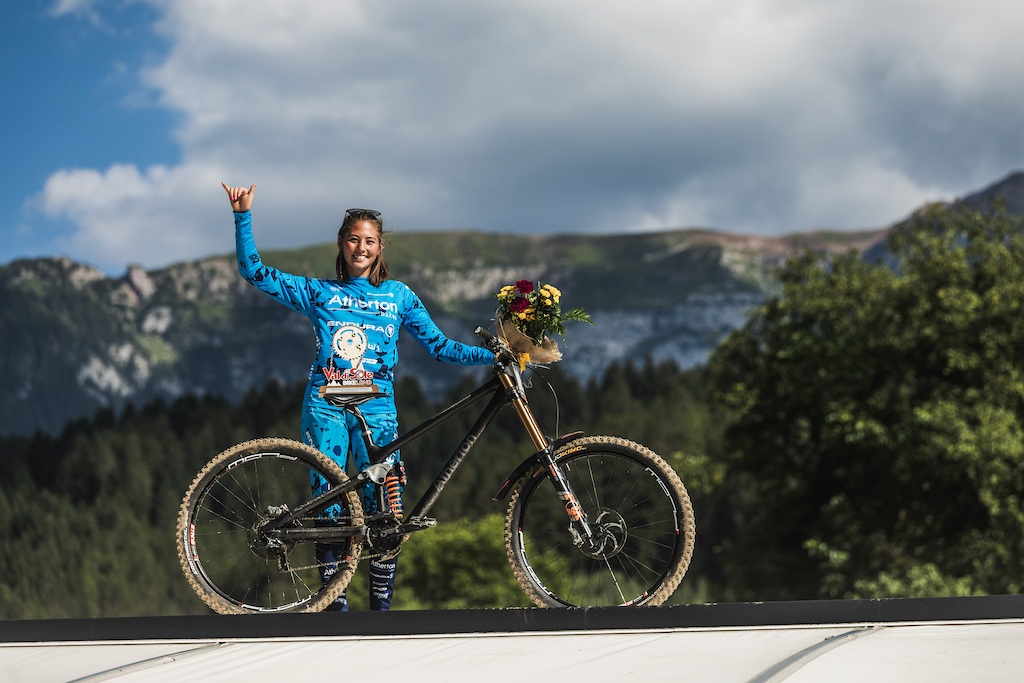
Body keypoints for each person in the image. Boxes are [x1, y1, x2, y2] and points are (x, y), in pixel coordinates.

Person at [222, 182, 494, 611]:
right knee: (330, 510)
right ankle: (336, 609)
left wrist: (494, 354)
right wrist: (243, 215)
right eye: (353, 239)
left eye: (369, 241)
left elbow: (441, 347)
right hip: (325, 407)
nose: (361, 248)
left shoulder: (399, 296)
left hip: (378, 412)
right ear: (341, 243)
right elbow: (254, 271)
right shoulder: (320, 292)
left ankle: (380, 613)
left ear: (380, 247)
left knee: (387, 513)